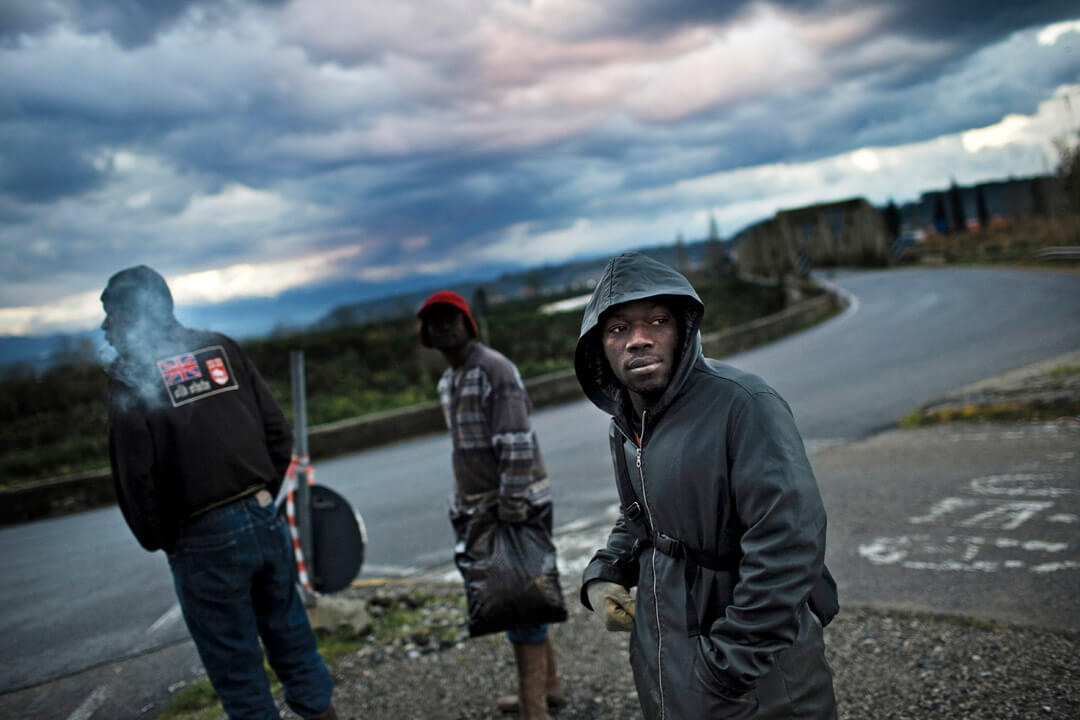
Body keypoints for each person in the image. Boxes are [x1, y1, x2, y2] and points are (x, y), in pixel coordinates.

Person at [574, 252, 838, 719]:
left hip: (755, 678)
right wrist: (607, 571)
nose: (637, 340)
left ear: (683, 330)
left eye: (656, 321)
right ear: (600, 347)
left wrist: (729, 666)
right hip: (668, 658)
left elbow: (789, 544)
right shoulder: (627, 422)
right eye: (617, 329)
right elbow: (641, 517)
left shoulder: (744, 404)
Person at [101, 266, 336, 720]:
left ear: (140, 315)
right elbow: (277, 432)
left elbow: (135, 477)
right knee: (295, 645)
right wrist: (259, 498)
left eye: (112, 315)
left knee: (239, 673)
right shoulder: (220, 347)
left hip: (201, 537)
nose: (105, 329)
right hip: (264, 516)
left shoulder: (131, 378)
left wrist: (166, 537)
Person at [417, 290, 564, 720]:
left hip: (512, 505)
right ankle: (549, 687)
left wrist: (512, 503)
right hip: (484, 507)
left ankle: (534, 709)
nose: (444, 326)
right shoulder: (451, 380)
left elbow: (516, 442)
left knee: (520, 603)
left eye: (451, 318)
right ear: (426, 334)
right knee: (526, 593)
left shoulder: (493, 370)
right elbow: (466, 452)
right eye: (434, 321)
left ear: (468, 324)